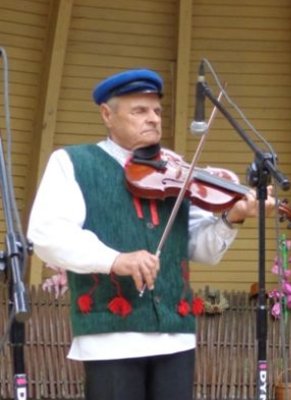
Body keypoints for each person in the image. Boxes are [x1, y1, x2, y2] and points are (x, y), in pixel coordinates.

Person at [27, 68, 276, 400]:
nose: (153, 119)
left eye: (156, 111)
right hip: (110, 339)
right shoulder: (73, 162)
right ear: (107, 114)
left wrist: (232, 218)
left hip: (176, 336)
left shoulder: (175, 170)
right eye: (139, 111)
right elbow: (48, 234)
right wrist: (115, 259)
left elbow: (200, 249)